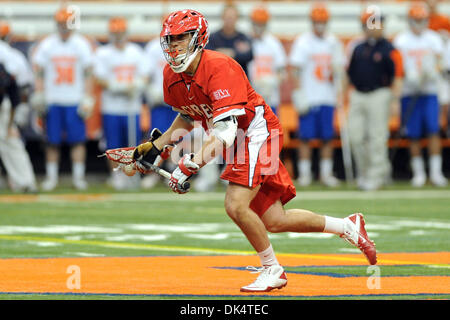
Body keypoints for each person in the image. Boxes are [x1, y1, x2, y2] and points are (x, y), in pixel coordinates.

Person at [131, 9, 377, 292]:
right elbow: (189, 116)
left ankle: (273, 269)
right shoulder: (171, 74)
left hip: (256, 132)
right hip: (239, 138)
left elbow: (224, 131)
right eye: (170, 40)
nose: (174, 46)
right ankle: (348, 226)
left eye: (181, 38)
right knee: (274, 220)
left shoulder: (220, 66)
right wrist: (158, 147)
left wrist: (190, 164)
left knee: (236, 204)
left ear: (198, 38)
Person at [31, 7, 95, 191]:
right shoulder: (48, 44)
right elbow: (39, 71)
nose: (64, 28)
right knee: (52, 142)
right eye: (61, 24)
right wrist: (39, 93)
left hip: (74, 99)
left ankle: (78, 178)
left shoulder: (81, 44)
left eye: (67, 24)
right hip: (53, 99)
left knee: (78, 141)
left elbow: (88, 72)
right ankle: (51, 178)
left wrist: (88, 97)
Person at [195, 3, 254, 192]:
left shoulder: (243, 37)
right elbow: (205, 58)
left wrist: (231, 54)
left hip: (238, 94)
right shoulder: (213, 37)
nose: (230, 20)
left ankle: (232, 174)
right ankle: (208, 174)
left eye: (233, 16)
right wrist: (229, 55)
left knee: (238, 135)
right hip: (216, 94)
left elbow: (249, 54)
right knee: (211, 132)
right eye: (227, 16)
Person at [346, 8, 403, 191]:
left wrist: (395, 99)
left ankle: (377, 175)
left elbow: (398, 76)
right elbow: (349, 74)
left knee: (377, 137)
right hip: (358, 94)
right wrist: (344, 93)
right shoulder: (357, 48)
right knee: (355, 136)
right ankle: (365, 172)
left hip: (380, 94)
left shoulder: (390, 49)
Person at [289, 3, 344, 187]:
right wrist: (298, 93)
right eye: (317, 22)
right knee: (305, 137)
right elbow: (295, 70)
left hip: (327, 96)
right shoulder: (303, 41)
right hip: (309, 96)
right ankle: (305, 174)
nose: (320, 25)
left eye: (323, 22)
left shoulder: (333, 42)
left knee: (327, 138)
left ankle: (326, 174)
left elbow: (340, 70)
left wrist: (340, 87)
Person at [393, 2, 447, 187]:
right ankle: (419, 173)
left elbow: (443, 63)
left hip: (430, 91)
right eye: (416, 20)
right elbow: (397, 66)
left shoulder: (433, 38)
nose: (419, 23)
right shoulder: (402, 40)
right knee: (413, 134)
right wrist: (409, 75)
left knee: (433, 131)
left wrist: (433, 71)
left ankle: (436, 172)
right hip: (410, 91)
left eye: (421, 19)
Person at [93, 17, 147, 190]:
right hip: (112, 106)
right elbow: (99, 78)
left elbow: (145, 75)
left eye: (120, 33)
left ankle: (132, 175)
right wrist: (119, 87)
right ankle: (116, 175)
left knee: (134, 145)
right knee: (114, 145)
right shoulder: (103, 53)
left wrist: (137, 85)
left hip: (132, 107)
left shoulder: (135, 52)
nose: (118, 36)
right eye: (115, 33)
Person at [141, 18, 178, 189]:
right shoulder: (152, 47)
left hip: (178, 101)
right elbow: (146, 74)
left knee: (177, 138)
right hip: (159, 102)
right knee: (157, 138)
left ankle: (173, 171)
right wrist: (149, 89)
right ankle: (153, 172)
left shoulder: (181, 45)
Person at [0, 21, 37, 192]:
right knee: (11, 142)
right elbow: (23, 86)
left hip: (5, 102)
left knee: (10, 141)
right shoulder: (13, 55)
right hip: (7, 103)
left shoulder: (9, 56)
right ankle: (24, 181)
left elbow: (14, 86)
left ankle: (23, 181)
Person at [247, 5, 287, 116]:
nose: (259, 27)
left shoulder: (274, 43)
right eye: (256, 23)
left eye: (261, 24)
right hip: (250, 100)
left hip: (271, 99)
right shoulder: (246, 41)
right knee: (251, 132)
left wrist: (272, 82)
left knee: (273, 132)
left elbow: (282, 71)